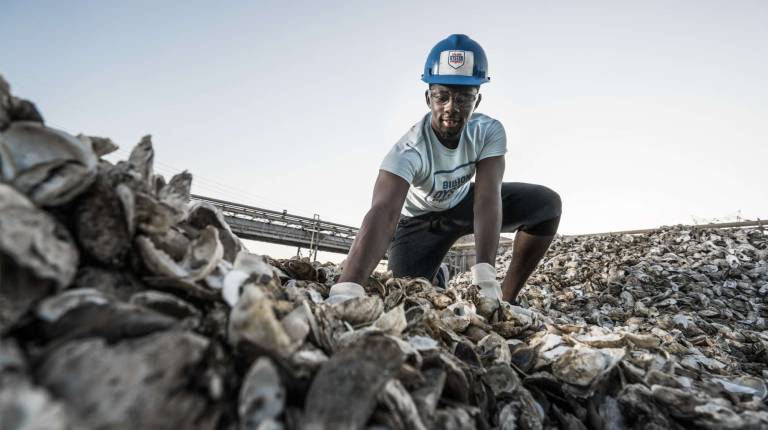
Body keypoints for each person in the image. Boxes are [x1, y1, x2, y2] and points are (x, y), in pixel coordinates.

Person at [336, 34, 561, 304]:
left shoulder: (488, 131)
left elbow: (488, 198)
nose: (451, 108)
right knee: (405, 291)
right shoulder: (408, 151)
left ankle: (506, 300)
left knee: (545, 204)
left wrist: (486, 273)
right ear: (428, 98)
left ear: (477, 101)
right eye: (442, 96)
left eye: (464, 98)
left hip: (466, 202)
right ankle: (438, 276)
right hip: (420, 222)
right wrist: (347, 289)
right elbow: (383, 214)